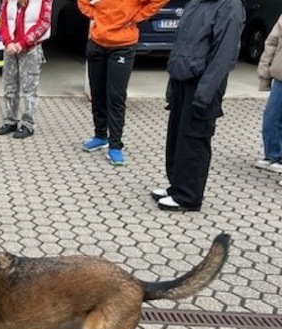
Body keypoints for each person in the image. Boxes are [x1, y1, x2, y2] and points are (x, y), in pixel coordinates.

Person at [150, 0, 245, 212]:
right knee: (177, 137)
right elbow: (181, 43)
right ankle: (176, 186)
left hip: (204, 82)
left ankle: (188, 196)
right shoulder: (195, 3)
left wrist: (205, 94)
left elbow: (224, 54)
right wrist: (172, 84)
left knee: (195, 138)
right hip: (182, 78)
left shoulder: (230, 6)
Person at [77, 0, 169, 165]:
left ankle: (115, 145)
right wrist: (97, 16)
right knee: (97, 93)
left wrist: (136, 17)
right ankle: (100, 136)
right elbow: (83, 2)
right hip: (96, 44)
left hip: (123, 46)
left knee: (115, 96)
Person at [0, 0, 52, 139]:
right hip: (10, 49)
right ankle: (10, 120)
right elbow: (2, 22)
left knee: (29, 88)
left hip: (30, 49)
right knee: (9, 86)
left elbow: (44, 23)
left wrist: (23, 43)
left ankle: (28, 124)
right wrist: (7, 42)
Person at [256, 14, 282, 174]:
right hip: (280, 77)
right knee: (271, 117)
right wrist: (264, 74)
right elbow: (271, 43)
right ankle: (273, 155)